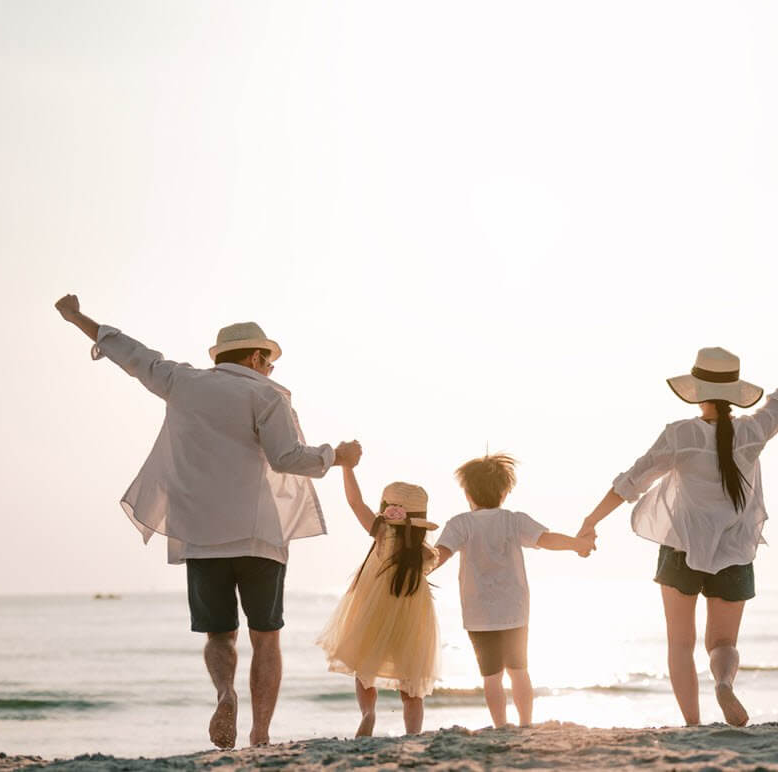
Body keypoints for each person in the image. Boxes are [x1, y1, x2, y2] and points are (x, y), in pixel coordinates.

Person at [54, 294, 361, 749]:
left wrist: (79, 318)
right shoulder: (265, 395)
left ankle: (224, 693)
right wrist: (336, 456)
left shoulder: (181, 381)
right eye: (269, 362)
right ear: (256, 357)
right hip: (259, 536)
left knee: (220, 633)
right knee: (266, 637)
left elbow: (131, 354)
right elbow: (286, 458)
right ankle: (259, 734)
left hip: (200, 535)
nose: (271, 370)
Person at [577, 332, 778, 727]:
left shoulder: (682, 435)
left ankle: (694, 726)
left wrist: (590, 522)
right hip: (735, 550)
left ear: (697, 392)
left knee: (680, 646)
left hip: (681, 548)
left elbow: (631, 482)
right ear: (733, 393)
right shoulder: (754, 431)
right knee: (723, 643)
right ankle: (723, 682)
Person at [433, 453, 595, 728]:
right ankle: (525, 723)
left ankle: (499, 725)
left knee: (491, 676)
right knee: (519, 671)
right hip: (514, 611)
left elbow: (439, 555)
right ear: (505, 492)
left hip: (479, 614)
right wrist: (577, 544)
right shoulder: (514, 520)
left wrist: (413, 569)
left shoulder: (460, 524)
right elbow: (548, 540)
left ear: (467, 492)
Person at [317, 470, 442, 737]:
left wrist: (347, 469)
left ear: (387, 510)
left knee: (364, 667)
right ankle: (413, 734)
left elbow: (355, 502)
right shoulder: (425, 552)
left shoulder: (382, 533)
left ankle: (368, 713)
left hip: (374, 608)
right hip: (412, 615)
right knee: (411, 681)